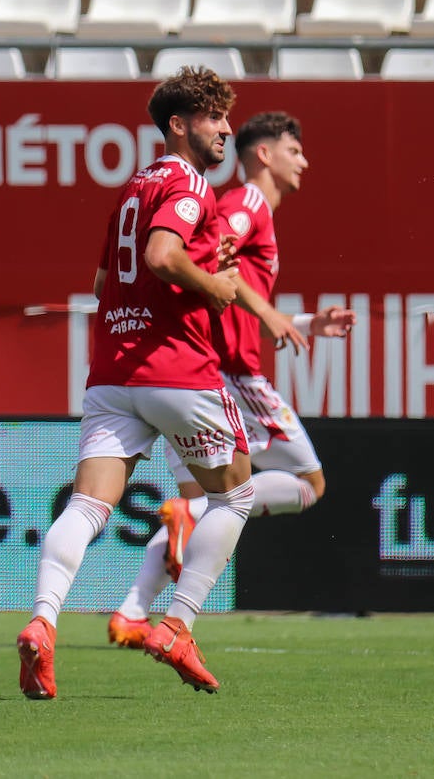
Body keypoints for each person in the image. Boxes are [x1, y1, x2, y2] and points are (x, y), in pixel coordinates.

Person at [18, 66, 254, 699]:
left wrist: (198, 265)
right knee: (234, 496)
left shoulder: (132, 188)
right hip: (175, 367)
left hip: (113, 371)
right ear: (179, 125)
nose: (227, 128)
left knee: (89, 504)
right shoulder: (188, 183)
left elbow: (105, 285)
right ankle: (177, 624)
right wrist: (216, 286)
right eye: (214, 117)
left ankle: (43, 621)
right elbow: (159, 256)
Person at [106, 112, 357, 649]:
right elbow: (226, 264)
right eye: (295, 150)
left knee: (202, 499)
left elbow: (232, 283)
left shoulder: (247, 208)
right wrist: (269, 317)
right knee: (307, 485)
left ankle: (131, 611)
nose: (304, 161)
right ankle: (186, 524)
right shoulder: (247, 205)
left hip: (200, 370)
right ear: (264, 154)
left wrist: (304, 323)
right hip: (232, 374)